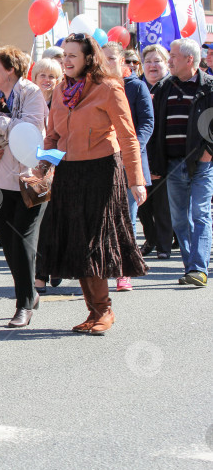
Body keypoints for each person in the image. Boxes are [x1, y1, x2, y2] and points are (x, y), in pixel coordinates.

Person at [35, 33, 148, 335]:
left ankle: (104, 310)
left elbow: (128, 137)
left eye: (73, 55)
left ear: (89, 58)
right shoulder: (60, 90)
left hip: (102, 172)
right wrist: (41, 167)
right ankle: (94, 311)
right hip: (69, 174)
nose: (67, 61)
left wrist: (137, 180)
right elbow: (52, 136)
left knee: (93, 243)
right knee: (76, 242)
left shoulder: (109, 88)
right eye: (64, 56)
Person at [0, 46, 48, 328]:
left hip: (30, 177)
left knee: (24, 241)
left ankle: (23, 305)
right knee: (7, 240)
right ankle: (29, 293)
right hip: (0, 178)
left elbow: (31, 131)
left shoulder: (31, 93)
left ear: (11, 70)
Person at [151, 38, 213, 287]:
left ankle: (198, 268)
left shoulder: (209, 87)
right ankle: (191, 267)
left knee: (201, 213)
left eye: (173, 56)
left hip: (202, 164)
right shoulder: (163, 87)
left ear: (189, 59)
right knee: (179, 219)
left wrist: (209, 152)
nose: (169, 60)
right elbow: (154, 127)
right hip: (173, 164)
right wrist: (155, 164)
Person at [103, 41, 154, 292]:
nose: (107, 63)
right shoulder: (95, 87)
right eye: (103, 59)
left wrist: (129, 148)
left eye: (112, 59)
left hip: (129, 161)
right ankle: (102, 268)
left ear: (123, 61)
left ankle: (125, 272)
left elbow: (146, 124)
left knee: (127, 218)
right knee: (103, 218)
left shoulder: (137, 87)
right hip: (102, 161)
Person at [30, 58, 64, 295]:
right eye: (43, 75)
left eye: (52, 76)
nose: (47, 80)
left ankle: (58, 266)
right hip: (35, 168)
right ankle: (39, 275)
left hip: (62, 165)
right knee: (39, 222)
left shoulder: (65, 101)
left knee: (59, 220)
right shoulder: (28, 100)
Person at [138, 44, 173, 259]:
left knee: (163, 205)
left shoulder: (171, 87)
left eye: (157, 61)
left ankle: (164, 245)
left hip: (166, 154)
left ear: (166, 63)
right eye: (148, 61)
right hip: (141, 154)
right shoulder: (136, 87)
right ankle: (150, 239)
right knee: (142, 206)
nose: (152, 65)